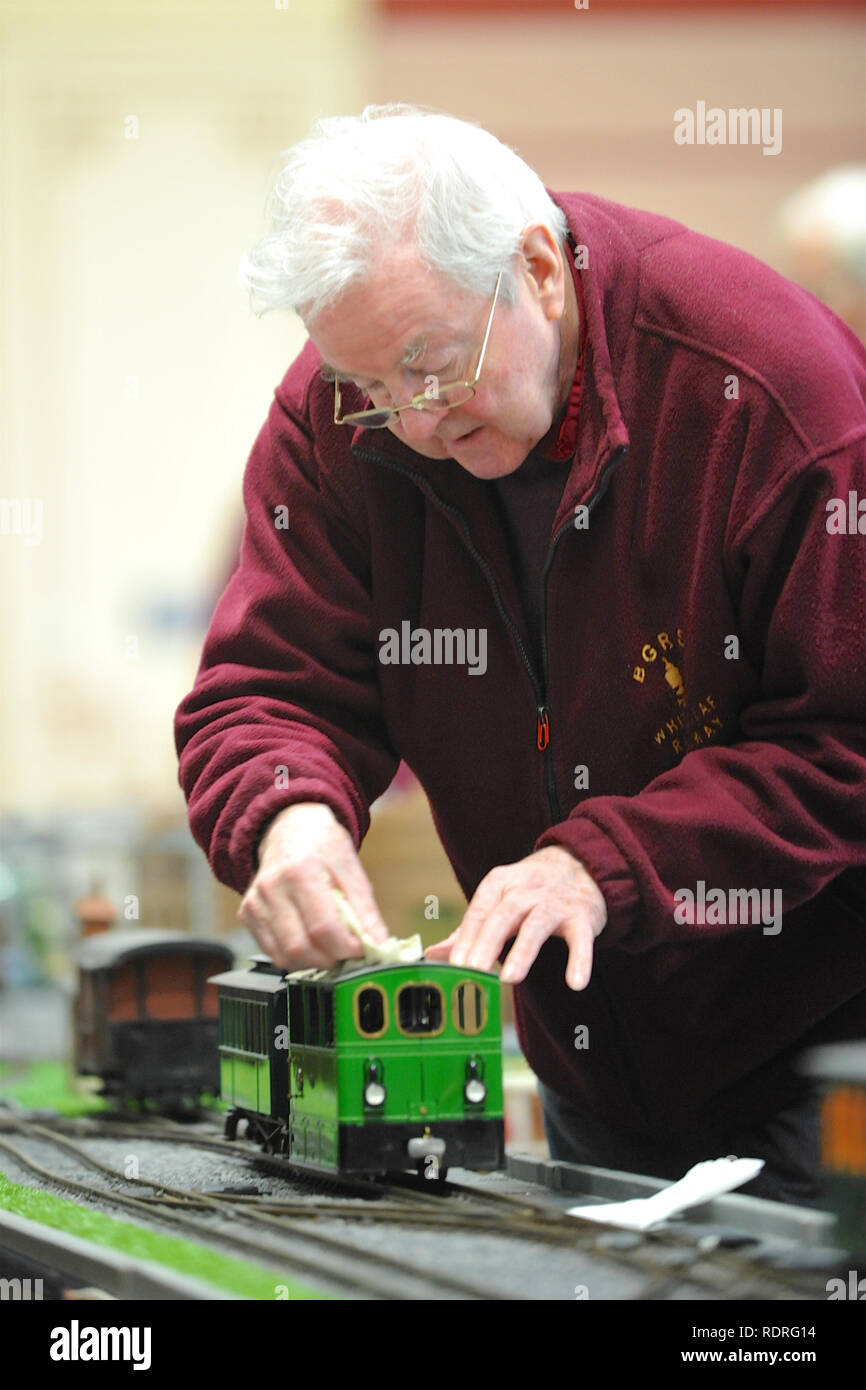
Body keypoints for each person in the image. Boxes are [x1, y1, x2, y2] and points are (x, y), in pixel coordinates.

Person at [175, 105, 866, 1205]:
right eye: (369, 388)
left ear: (537, 268)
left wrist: (603, 861)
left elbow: (844, 741)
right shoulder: (335, 416)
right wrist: (286, 813)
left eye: (432, 368)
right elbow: (266, 682)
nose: (410, 424)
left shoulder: (764, 390)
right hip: (591, 1059)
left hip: (823, 1051)